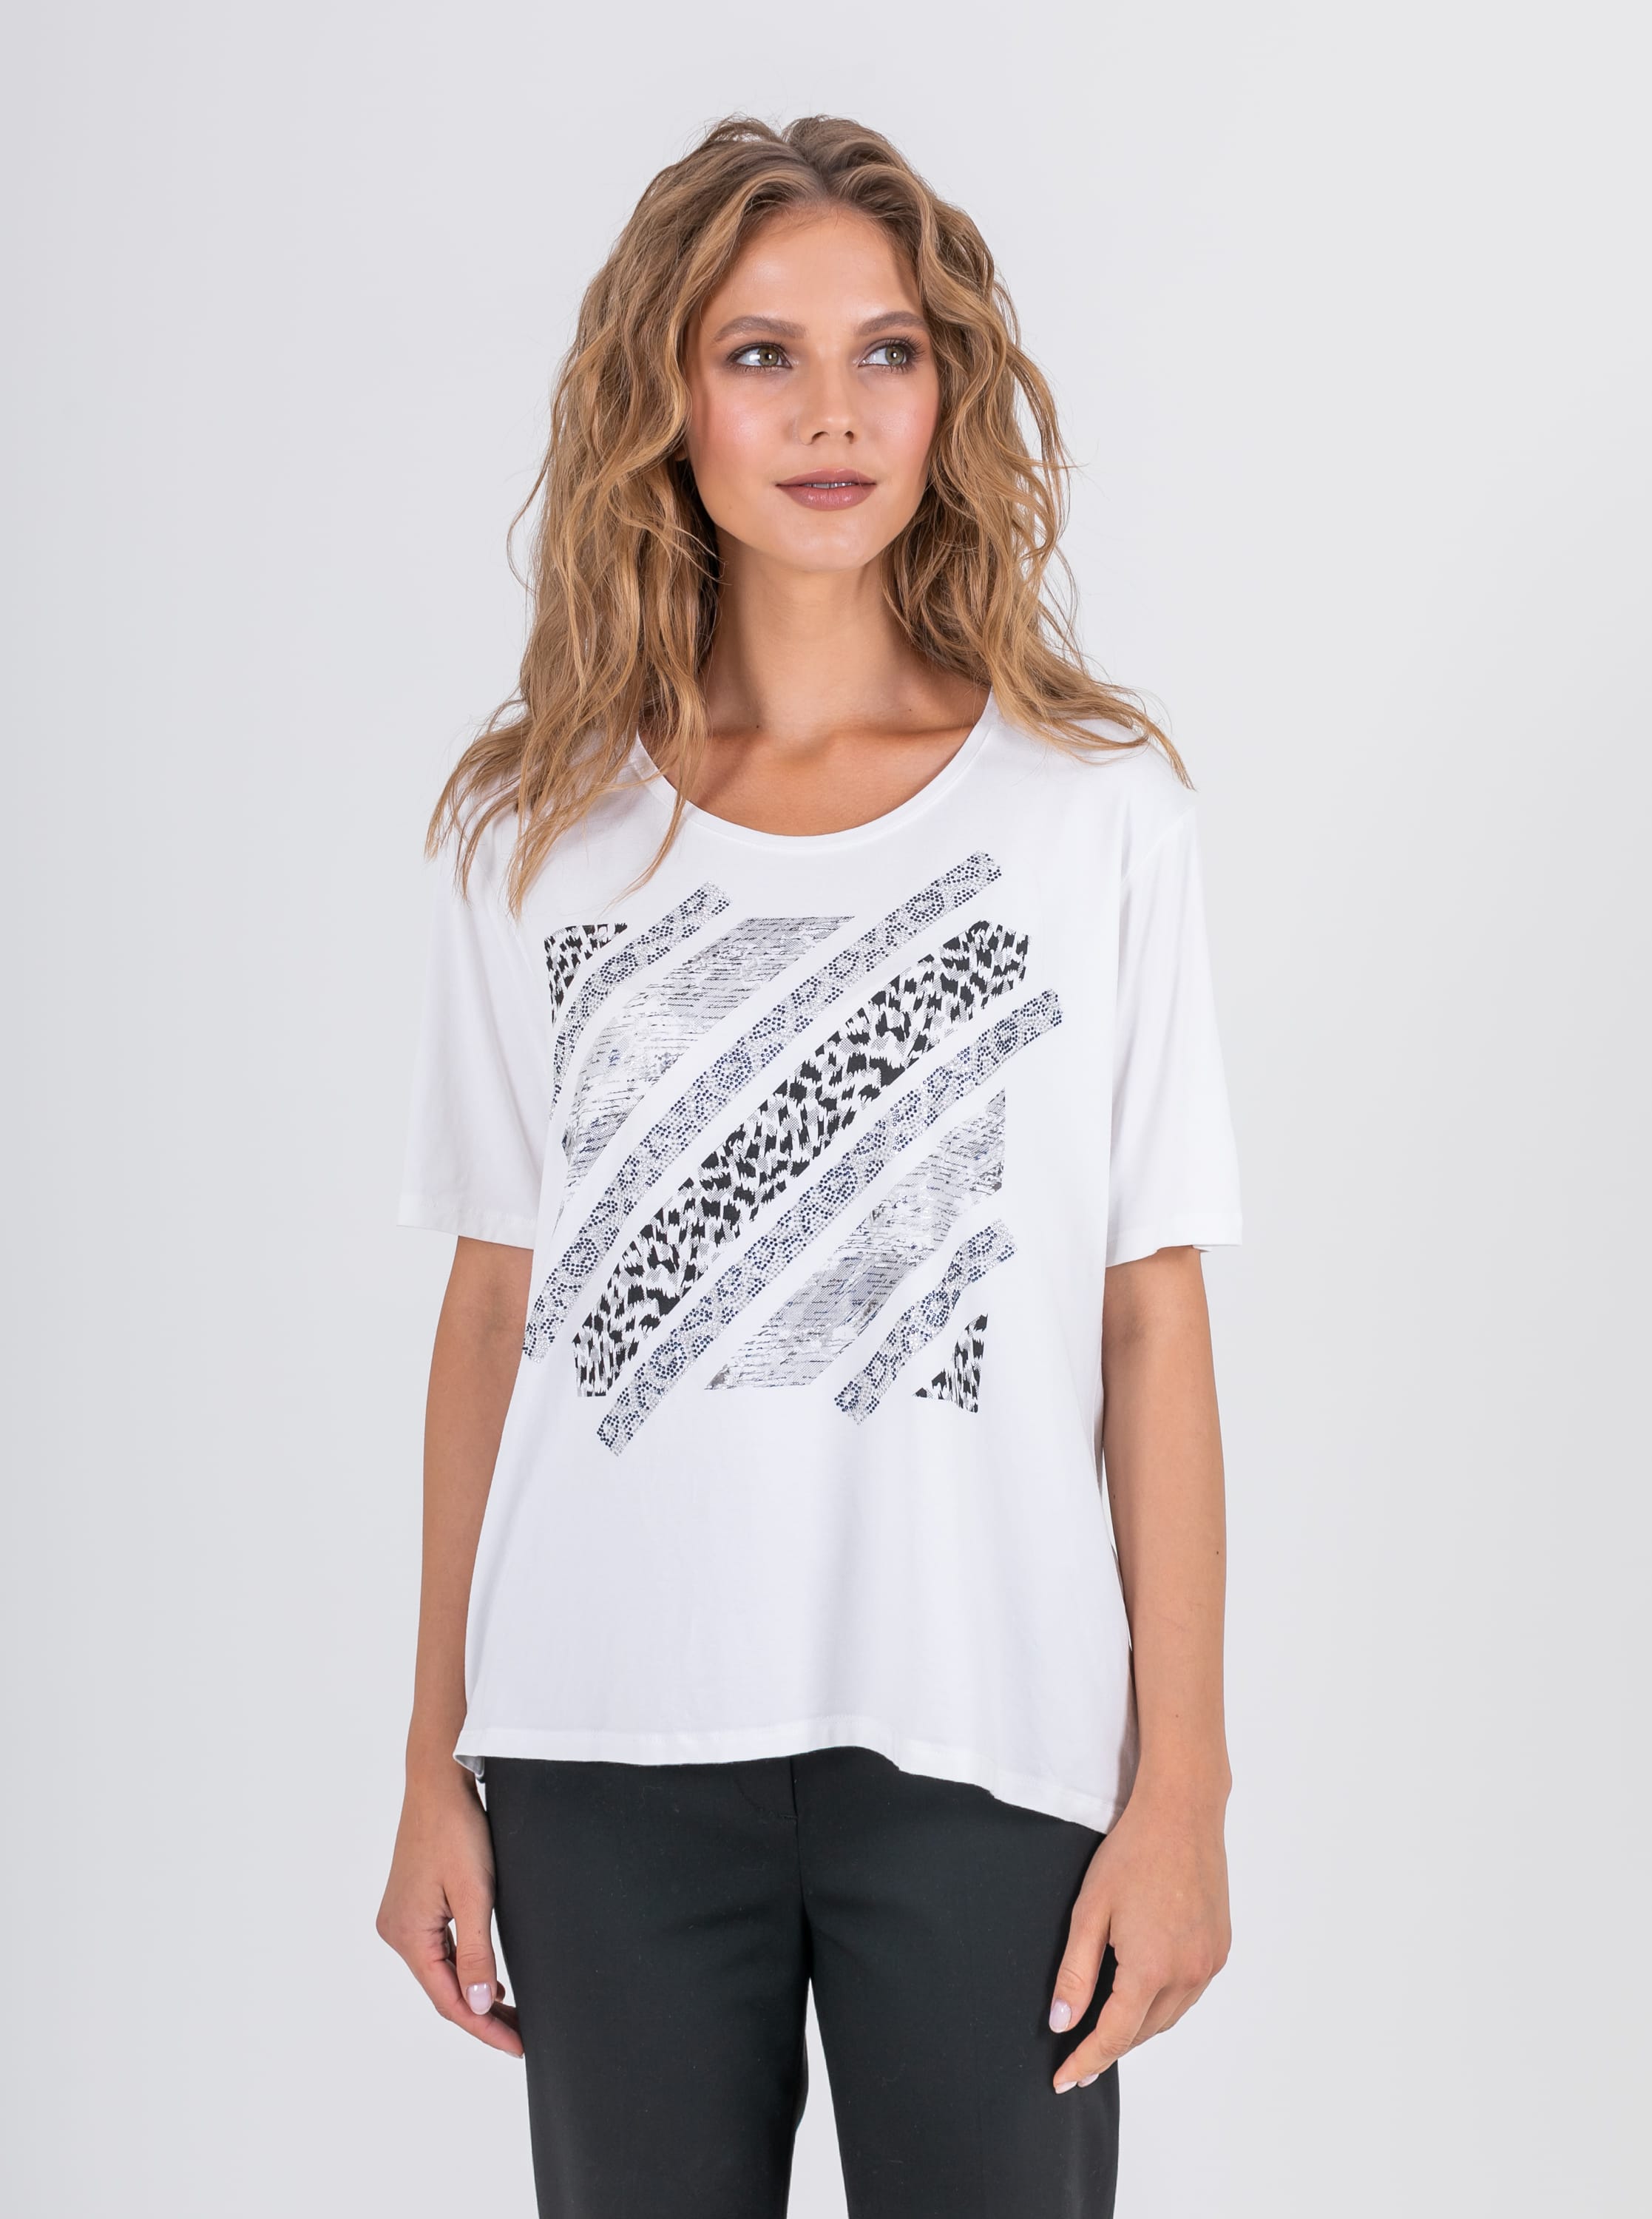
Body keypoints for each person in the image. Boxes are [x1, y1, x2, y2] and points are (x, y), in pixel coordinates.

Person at [376, 112, 1242, 2219]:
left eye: (886, 352)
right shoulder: (536, 831)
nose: (831, 413)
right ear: (663, 402)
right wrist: (429, 1764)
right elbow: (494, 1307)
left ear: (950, 396)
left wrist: (1186, 1790)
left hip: (986, 1744)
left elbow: (1149, 1314)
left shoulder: (1090, 820)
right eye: (760, 354)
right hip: (602, 1753)